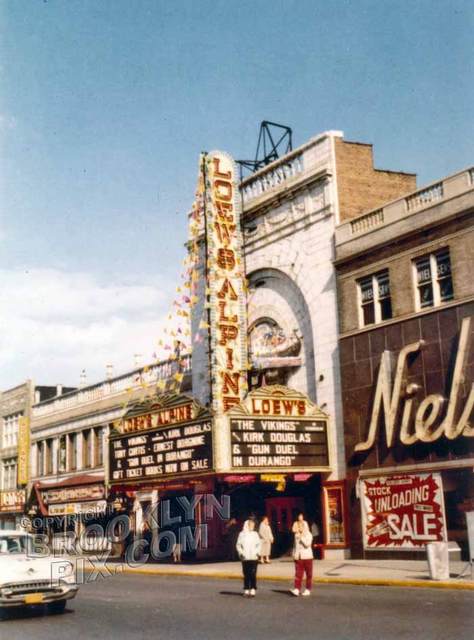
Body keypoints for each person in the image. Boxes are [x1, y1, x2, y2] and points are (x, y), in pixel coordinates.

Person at [236, 519, 261, 597]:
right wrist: (241, 553)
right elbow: (238, 545)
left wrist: (257, 552)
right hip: (245, 557)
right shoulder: (241, 534)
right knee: (246, 574)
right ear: (247, 525)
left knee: (253, 573)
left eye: (253, 526)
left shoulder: (255, 534)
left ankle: (253, 588)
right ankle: (246, 589)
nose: (252, 527)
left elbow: (259, 544)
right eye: (251, 525)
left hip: (254, 557)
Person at [290, 513, 313, 596]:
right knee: (298, 574)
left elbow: (307, 544)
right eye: (299, 526)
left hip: (307, 557)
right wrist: (294, 554)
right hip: (299, 557)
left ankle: (308, 589)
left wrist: (301, 538)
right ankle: (297, 589)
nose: (299, 528)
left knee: (309, 574)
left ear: (305, 526)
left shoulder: (309, 535)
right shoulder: (297, 535)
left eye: (301, 526)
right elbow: (295, 546)